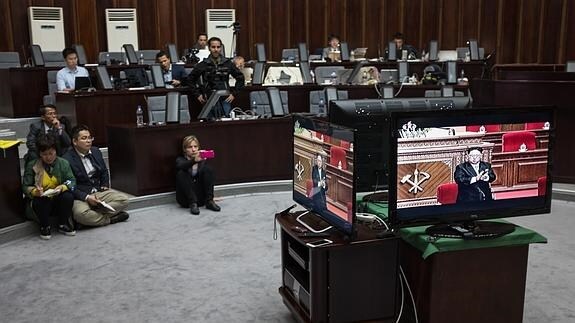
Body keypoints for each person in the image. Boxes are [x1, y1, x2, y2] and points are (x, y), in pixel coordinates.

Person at [63, 125, 129, 227]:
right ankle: (110, 220)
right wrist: (86, 197)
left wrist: (105, 183)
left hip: (98, 191)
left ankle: (92, 218)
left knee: (123, 200)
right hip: (81, 195)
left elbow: (104, 171)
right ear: (75, 141)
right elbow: (69, 185)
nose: (88, 141)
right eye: (84, 138)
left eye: (90, 138)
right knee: (80, 214)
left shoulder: (96, 151)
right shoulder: (67, 159)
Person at [22, 134, 76, 240]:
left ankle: (63, 223)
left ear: (56, 151)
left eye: (51, 153)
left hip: (57, 197)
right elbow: (25, 186)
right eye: (44, 154)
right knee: (40, 200)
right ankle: (44, 225)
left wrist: (62, 187)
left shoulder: (63, 163)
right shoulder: (32, 165)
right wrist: (34, 191)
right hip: (41, 200)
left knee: (68, 196)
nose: (48, 157)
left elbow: (72, 180)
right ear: (39, 154)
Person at [187, 37, 245, 118]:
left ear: (221, 48)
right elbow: (190, 79)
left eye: (218, 47)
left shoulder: (227, 63)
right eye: (213, 47)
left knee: (226, 122)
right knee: (209, 125)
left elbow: (240, 78)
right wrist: (197, 94)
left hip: (225, 98)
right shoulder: (203, 64)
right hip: (209, 99)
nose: (216, 49)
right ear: (209, 48)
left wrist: (234, 93)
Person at [176, 135, 221, 215]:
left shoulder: (202, 160)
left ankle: (209, 201)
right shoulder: (180, 159)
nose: (193, 149)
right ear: (185, 149)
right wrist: (194, 160)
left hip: (201, 198)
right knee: (182, 173)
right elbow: (181, 166)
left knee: (208, 169)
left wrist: (201, 159)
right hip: (186, 201)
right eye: (190, 147)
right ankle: (193, 203)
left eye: (195, 146)